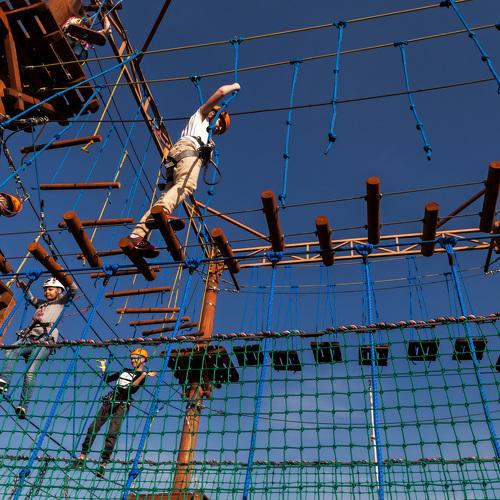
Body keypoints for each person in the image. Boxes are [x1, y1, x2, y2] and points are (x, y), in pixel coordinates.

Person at [127, 82, 241, 258]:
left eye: (221, 130)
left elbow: (203, 162)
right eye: (220, 123)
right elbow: (220, 91)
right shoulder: (202, 116)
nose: (218, 129)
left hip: (174, 159)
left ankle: (137, 235)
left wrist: (207, 152)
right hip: (186, 151)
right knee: (187, 186)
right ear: (213, 113)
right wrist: (234, 86)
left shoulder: (208, 139)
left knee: (167, 196)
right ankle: (163, 212)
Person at [0, 277, 78, 418]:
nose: (47, 292)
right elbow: (31, 298)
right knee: (11, 350)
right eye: (45, 290)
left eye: (50, 289)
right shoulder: (41, 304)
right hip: (30, 337)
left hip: (45, 340)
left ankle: (23, 405)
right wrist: (25, 288)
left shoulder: (60, 302)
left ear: (59, 291)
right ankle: (4, 381)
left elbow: (73, 290)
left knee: (30, 372)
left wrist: (64, 277)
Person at [73, 348, 156, 478]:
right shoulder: (124, 371)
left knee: (112, 433)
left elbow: (131, 389)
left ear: (143, 360)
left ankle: (103, 464)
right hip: (111, 400)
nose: (133, 360)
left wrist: (143, 375)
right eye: (132, 358)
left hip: (122, 405)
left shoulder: (141, 377)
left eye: (136, 358)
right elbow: (107, 379)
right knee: (93, 427)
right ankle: (82, 457)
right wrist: (103, 367)